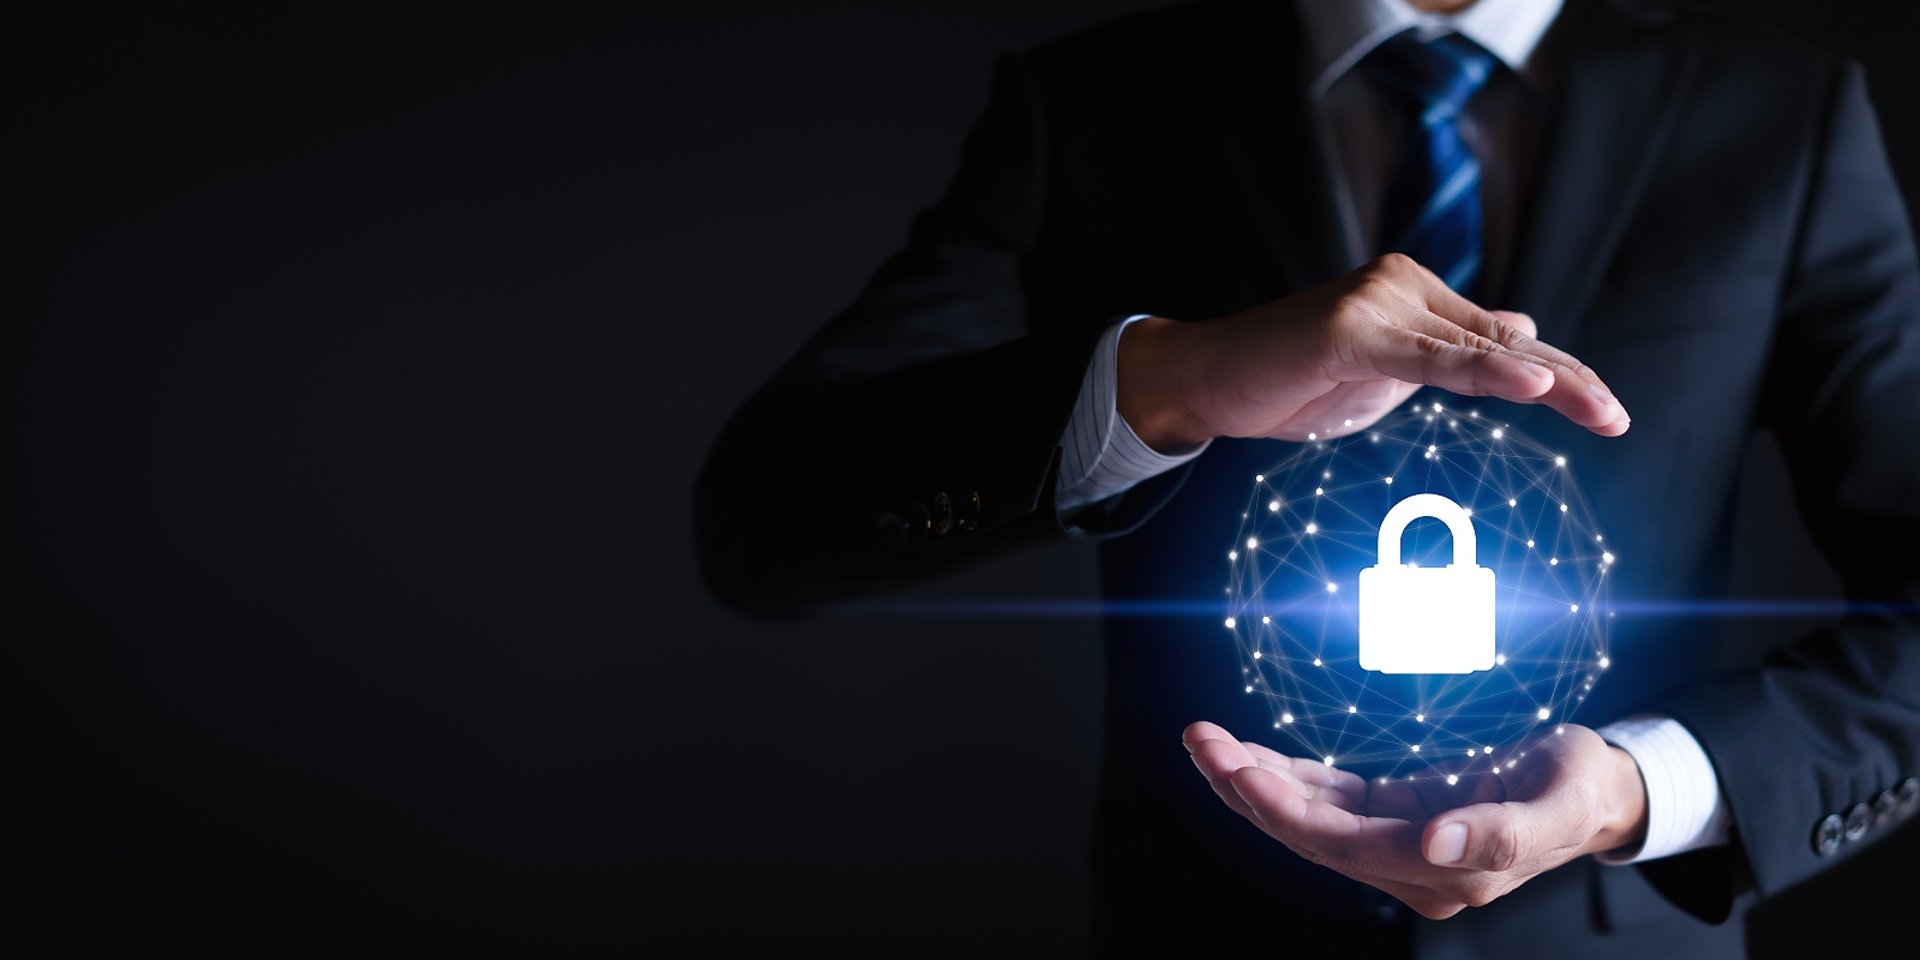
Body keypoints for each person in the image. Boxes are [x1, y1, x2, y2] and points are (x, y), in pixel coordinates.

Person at [695, 0, 1920, 955]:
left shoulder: (1779, 113)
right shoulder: (1095, 103)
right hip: (1206, 934)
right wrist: (1163, 382)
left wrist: (1642, 788)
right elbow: (766, 521)